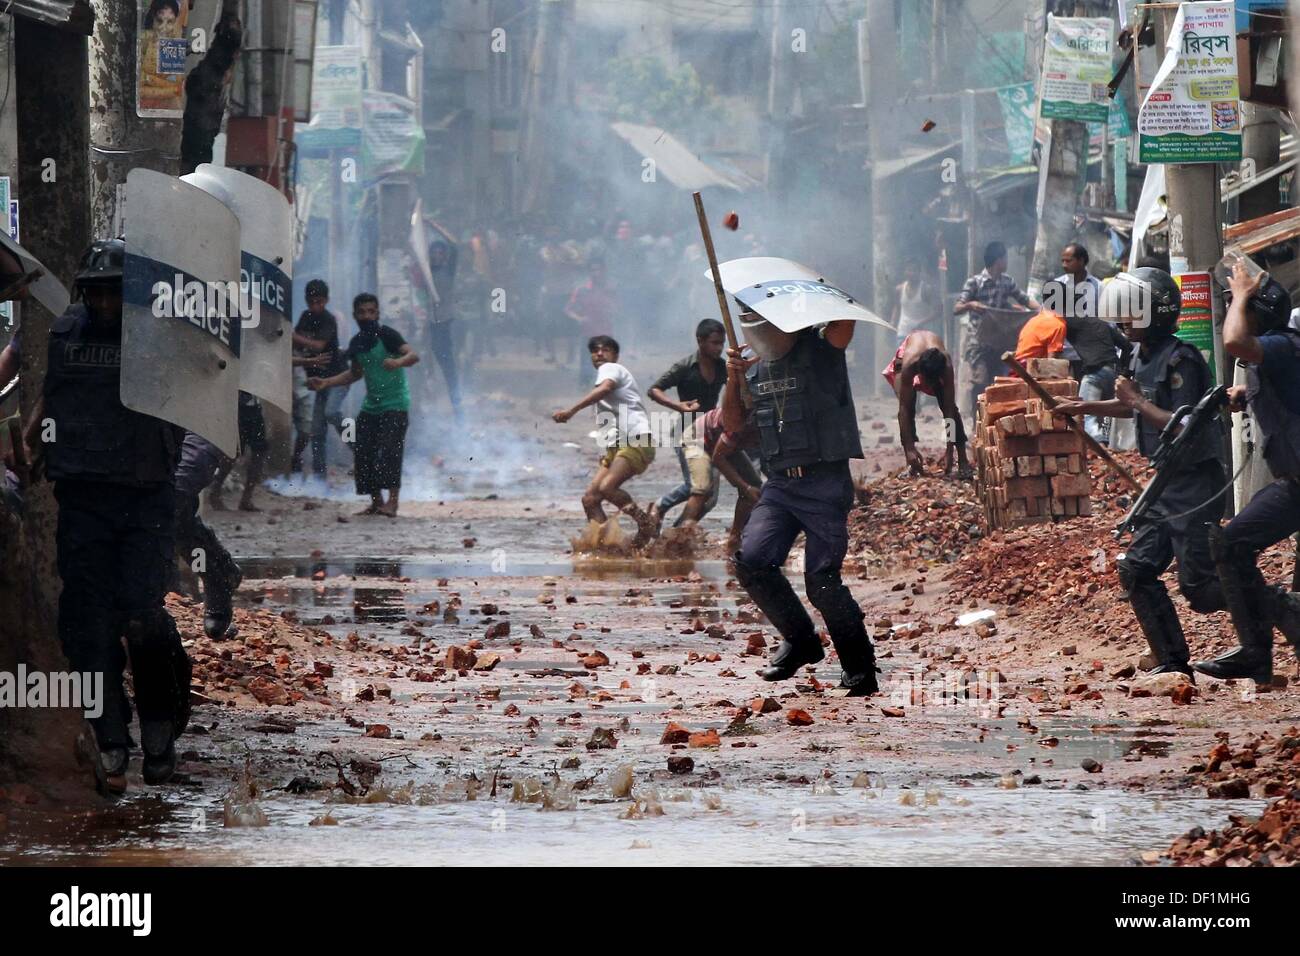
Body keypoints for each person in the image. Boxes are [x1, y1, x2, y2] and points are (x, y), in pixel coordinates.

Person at [29, 239, 191, 789]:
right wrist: (30, 441)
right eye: (96, 294)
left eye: (114, 294)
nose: (104, 305)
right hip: (83, 498)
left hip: (145, 499)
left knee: (142, 617)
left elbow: (200, 396)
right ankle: (111, 736)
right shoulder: (65, 334)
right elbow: (54, 396)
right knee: (86, 626)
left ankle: (162, 733)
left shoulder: (163, 337)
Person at [1056, 268, 1228, 677]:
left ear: (1155, 313)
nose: (1123, 323)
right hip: (1166, 483)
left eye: (1131, 315)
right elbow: (1134, 405)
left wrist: (1133, 399)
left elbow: (1184, 424)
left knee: (1200, 589)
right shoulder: (1139, 355)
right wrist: (1085, 409)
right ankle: (1171, 661)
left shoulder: (1181, 358)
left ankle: (1277, 605)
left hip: (1195, 484)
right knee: (1137, 568)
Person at [723, 309, 877, 696]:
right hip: (780, 485)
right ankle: (802, 641)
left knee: (822, 582)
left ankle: (859, 669)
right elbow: (732, 425)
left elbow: (846, 325)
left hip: (825, 481)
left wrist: (813, 311)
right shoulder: (753, 371)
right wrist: (733, 376)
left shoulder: (821, 348)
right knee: (753, 559)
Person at [1194, 263, 1300, 683]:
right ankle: (1256, 652)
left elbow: (1236, 341)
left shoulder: (1280, 345)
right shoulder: (1273, 356)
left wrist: (1241, 292)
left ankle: (1278, 625)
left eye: (1237, 305)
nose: (1229, 310)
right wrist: (1243, 393)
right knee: (1231, 543)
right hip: (1294, 484)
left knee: (1231, 542)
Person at [308, 293, 419, 517]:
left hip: (396, 404)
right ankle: (376, 501)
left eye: (371, 311)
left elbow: (413, 355)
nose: (366, 316)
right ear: (355, 315)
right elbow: (355, 374)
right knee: (362, 450)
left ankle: (393, 503)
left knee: (389, 450)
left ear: (377, 313)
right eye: (362, 312)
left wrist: (397, 361)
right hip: (372, 406)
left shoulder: (387, 335)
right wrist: (326, 382)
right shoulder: (357, 343)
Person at [551, 335, 658, 547]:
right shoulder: (605, 376)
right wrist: (605, 453)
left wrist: (572, 410)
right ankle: (606, 546)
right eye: (595, 350)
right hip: (616, 446)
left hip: (635, 440)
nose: (599, 353)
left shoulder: (611, 369)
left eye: (605, 349)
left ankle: (646, 524)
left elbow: (605, 388)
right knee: (590, 499)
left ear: (615, 355)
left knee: (608, 487)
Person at [646, 319, 727, 530]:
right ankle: (661, 507)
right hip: (685, 432)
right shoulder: (685, 366)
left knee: (709, 499)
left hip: (709, 432)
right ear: (700, 341)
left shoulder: (722, 367)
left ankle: (678, 531)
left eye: (721, 343)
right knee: (697, 486)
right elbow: (654, 389)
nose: (719, 348)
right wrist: (678, 406)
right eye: (714, 343)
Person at [1057, 246, 1131, 445]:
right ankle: (1093, 443)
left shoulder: (1098, 287)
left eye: (1069, 260)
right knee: (1081, 404)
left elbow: (1110, 321)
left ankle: (1097, 446)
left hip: (1093, 362)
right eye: (1062, 261)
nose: (1064, 265)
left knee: (1089, 408)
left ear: (1082, 261)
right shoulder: (1058, 286)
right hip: (1068, 357)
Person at [173, 431, 242, 639]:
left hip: (197, 427)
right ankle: (217, 573)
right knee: (171, 515)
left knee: (174, 497)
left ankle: (214, 575)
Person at [955, 241, 1037, 410]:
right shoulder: (974, 283)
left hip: (1000, 344)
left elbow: (1025, 300)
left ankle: (993, 422)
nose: (1007, 262)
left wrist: (1042, 311)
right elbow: (957, 308)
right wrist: (971, 305)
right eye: (1005, 258)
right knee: (980, 381)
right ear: (998, 260)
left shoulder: (1007, 282)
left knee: (999, 384)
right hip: (978, 343)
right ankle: (976, 422)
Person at [677, 403, 763, 552]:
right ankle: (677, 539)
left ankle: (735, 538)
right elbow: (718, 457)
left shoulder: (770, 424)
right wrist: (745, 487)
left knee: (754, 484)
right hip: (697, 439)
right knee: (703, 489)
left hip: (724, 443)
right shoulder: (739, 423)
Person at [884, 330, 970, 478]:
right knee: (908, 406)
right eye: (926, 380)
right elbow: (903, 410)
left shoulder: (946, 366)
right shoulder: (909, 365)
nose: (928, 385)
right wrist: (909, 448)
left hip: (932, 355)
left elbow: (949, 410)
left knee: (950, 407)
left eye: (932, 382)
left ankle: (963, 461)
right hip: (908, 351)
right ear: (919, 371)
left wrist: (950, 450)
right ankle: (911, 462)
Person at [291, 279, 350, 477]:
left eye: (319, 302)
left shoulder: (328, 319)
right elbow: (299, 346)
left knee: (331, 412)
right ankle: (319, 478)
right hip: (319, 382)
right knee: (317, 431)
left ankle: (358, 445)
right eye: (311, 302)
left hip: (339, 377)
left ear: (326, 300)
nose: (315, 306)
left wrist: (292, 336)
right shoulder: (305, 316)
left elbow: (317, 346)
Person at [411, 227, 462, 417]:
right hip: (424, 324)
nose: (437, 255)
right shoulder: (424, 272)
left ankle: (458, 407)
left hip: (443, 323)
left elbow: (454, 245)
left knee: (448, 365)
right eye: (434, 252)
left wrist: (433, 225)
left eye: (441, 253)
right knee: (422, 365)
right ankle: (423, 408)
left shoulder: (448, 271)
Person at [208, 390, 267, 511]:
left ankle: (246, 499)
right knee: (232, 453)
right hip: (237, 408)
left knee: (259, 452)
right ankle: (215, 493)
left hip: (254, 407)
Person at [565, 258, 617, 384]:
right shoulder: (582, 290)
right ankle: (585, 387)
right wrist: (580, 319)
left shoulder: (610, 289)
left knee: (606, 365)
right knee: (586, 364)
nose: (596, 273)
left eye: (599, 270)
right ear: (589, 272)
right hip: (588, 333)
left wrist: (611, 312)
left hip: (606, 332)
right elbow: (568, 309)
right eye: (593, 270)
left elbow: (618, 309)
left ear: (604, 272)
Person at [1014, 278, 1069, 364]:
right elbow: (1052, 364)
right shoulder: (1058, 325)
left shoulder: (1034, 320)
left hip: (1017, 370)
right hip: (1030, 372)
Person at [890, 260, 940, 344]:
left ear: (919, 272)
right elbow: (897, 307)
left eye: (914, 270)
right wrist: (892, 322)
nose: (911, 273)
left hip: (922, 334)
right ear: (905, 272)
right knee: (901, 357)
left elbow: (938, 311)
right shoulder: (899, 289)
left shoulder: (926, 290)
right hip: (903, 333)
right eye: (909, 270)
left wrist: (922, 322)